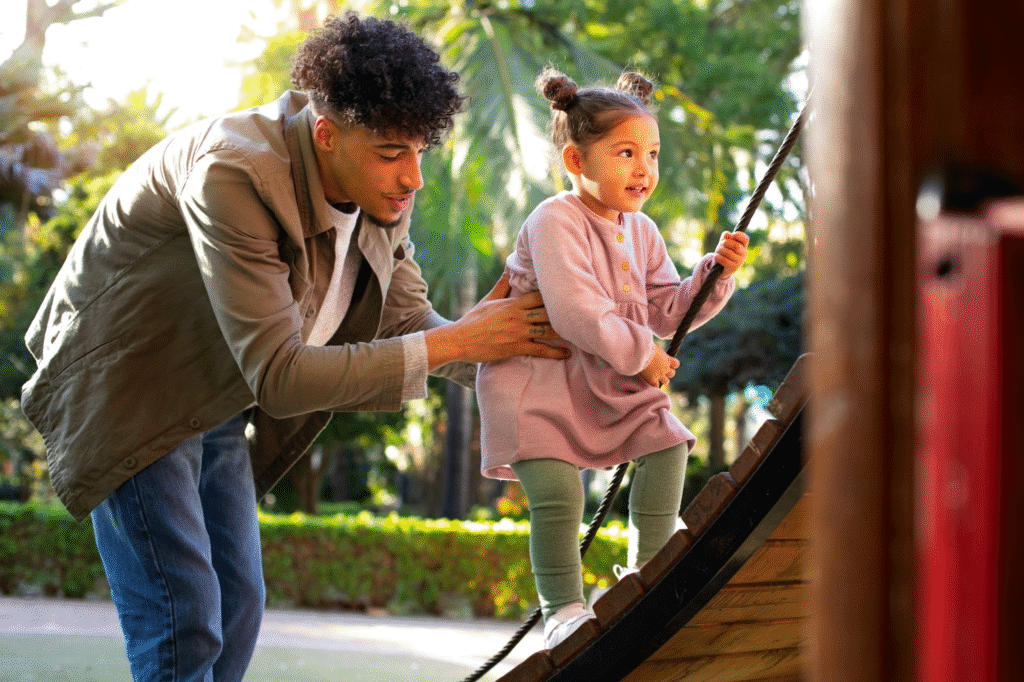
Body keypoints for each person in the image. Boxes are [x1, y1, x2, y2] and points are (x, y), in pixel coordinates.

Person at [20, 13, 567, 682]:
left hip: (216, 394)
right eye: (393, 152)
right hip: (132, 386)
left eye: (421, 150)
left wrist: (538, 351)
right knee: (184, 616)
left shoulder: (379, 190)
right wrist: (466, 338)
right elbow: (281, 375)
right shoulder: (235, 171)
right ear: (326, 133)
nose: (413, 176)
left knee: (240, 603)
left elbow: (408, 321)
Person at [476, 68, 749, 649]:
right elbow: (575, 312)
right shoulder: (554, 220)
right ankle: (562, 610)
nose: (644, 169)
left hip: (605, 376)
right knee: (559, 495)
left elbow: (666, 310)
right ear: (576, 161)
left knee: (668, 440)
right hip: (538, 380)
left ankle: (647, 574)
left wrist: (712, 275)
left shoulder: (642, 231)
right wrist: (641, 354)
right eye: (625, 153)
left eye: (651, 154)